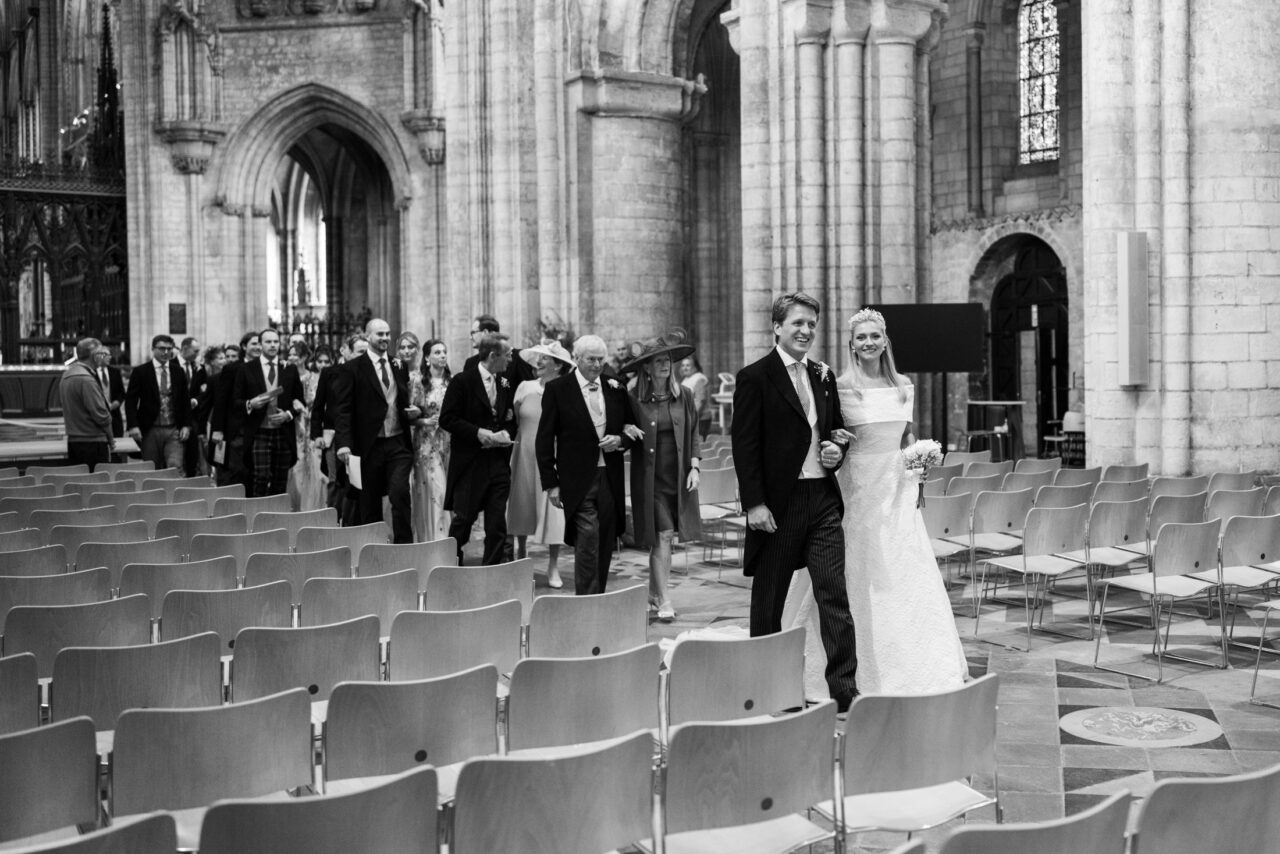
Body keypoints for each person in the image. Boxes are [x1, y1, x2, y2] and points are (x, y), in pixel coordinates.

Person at [784, 308, 968, 696]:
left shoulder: (904, 386)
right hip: (857, 490)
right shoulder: (840, 385)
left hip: (897, 492)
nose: (868, 342)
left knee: (906, 572)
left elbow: (905, 437)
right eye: (861, 337)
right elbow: (830, 437)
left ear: (885, 341)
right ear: (851, 344)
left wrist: (918, 462)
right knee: (852, 574)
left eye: (875, 336)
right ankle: (842, 668)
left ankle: (911, 664)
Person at [730, 293, 858, 712]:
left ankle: (844, 689)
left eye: (811, 324)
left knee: (833, 594)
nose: (806, 331)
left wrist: (835, 452)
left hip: (821, 497)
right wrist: (754, 505)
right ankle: (766, 686)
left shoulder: (823, 375)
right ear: (777, 327)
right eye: (798, 323)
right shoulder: (755, 377)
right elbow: (745, 446)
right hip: (778, 505)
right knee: (769, 600)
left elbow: (834, 429)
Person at [536, 334, 639, 595]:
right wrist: (551, 484)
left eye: (600, 360)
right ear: (577, 359)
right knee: (588, 539)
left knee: (605, 539)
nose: (596, 365)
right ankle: (586, 600)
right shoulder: (558, 389)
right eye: (591, 359)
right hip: (577, 478)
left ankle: (598, 596)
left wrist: (620, 440)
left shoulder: (615, 387)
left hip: (610, 476)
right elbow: (544, 440)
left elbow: (632, 427)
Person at [622, 331, 702, 622]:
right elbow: (621, 426)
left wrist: (695, 466)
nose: (665, 365)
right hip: (650, 479)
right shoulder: (633, 398)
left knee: (665, 539)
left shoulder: (685, 395)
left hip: (679, 477)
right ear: (646, 366)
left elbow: (694, 432)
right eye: (657, 360)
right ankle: (665, 598)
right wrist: (626, 430)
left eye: (667, 359)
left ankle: (655, 595)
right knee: (663, 535)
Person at [333, 319, 419, 544]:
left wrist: (413, 412)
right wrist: (344, 443)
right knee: (369, 502)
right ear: (367, 336)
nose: (385, 338)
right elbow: (343, 410)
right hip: (369, 445)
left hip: (398, 443)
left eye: (388, 334)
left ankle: (404, 548)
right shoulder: (352, 368)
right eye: (380, 334)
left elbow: (401, 399)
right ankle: (374, 550)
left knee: (400, 493)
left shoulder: (399, 365)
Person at [440, 331, 517, 565]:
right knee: (464, 520)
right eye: (507, 355)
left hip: (498, 463)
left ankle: (490, 572)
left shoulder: (504, 383)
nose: (510, 360)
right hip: (471, 463)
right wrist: (478, 433)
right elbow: (447, 419)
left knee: (497, 526)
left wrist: (506, 432)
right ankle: (450, 563)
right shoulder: (463, 381)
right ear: (493, 355)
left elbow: (509, 419)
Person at [508, 340, 573, 588]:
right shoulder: (524, 387)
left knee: (554, 511)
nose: (539, 361)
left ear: (557, 366)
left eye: (545, 358)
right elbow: (515, 415)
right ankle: (521, 556)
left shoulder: (564, 390)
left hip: (554, 454)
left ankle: (553, 565)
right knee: (522, 503)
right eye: (538, 357)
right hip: (524, 451)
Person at [234, 328, 306, 498]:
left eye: (275, 341)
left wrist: (288, 414)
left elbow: (299, 400)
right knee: (261, 476)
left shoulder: (289, 369)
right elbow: (235, 401)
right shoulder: (246, 369)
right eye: (268, 342)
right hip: (259, 431)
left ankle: (277, 518)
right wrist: (250, 403)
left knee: (280, 480)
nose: (273, 345)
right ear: (260, 345)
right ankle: (258, 517)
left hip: (283, 431)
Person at [313, 333, 368, 524]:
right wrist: (316, 434)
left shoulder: (370, 374)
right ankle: (332, 521)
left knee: (355, 481)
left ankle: (353, 523)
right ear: (349, 352)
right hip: (334, 434)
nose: (364, 356)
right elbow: (318, 406)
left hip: (360, 435)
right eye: (360, 351)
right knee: (335, 481)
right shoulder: (331, 373)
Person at [125, 334, 190, 471]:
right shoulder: (141, 371)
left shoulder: (178, 371)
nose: (165, 352)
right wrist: (133, 426)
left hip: (174, 428)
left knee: (175, 466)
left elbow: (185, 400)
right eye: (161, 348)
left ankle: (173, 492)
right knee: (152, 467)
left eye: (169, 349)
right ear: (153, 349)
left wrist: (186, 425)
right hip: (150, 428)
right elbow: (131, 401)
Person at [410, 337, 451, 542]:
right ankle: (434, 540)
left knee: (447, 493)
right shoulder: (419, 383)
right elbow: (410, 417)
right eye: (437, 352)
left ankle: (447, 541)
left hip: (448, 443)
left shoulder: (451, 382)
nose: (442, 355)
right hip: (427, 444)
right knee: (436, 491)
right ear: (427, 357)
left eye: (444, 352)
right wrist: (426, 421)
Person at [211, 331, 260, 489]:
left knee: (252, 475)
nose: (258, 347)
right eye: (254, 343)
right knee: (232, 473)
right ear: (244, 347)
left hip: (257, 429)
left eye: (260, 343)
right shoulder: (232, 369)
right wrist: (217, 429)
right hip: (235, 429)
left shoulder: (265, 368)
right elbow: (221, 401)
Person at [60, 337, 114, 471]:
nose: (103, 356)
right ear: (95, 356)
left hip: (74, 441)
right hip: (93, 443)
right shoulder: (86, 379)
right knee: (97, 486)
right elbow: (101, 415)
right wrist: (111, 440)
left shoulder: (67, 375)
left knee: (80, 485)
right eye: (101, 353)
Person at [287, 341, 325, 511]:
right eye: (290, 354)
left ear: (303, 357)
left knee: (310, 462)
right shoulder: (286, 375)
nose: (292, 357)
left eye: (295, 354)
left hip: (308, 421)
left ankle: (310, 505)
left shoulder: (312, 377)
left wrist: (305, 408)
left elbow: (316, 400)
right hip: (293, 422)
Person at [191, 345, 225, 470]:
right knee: (210, 453)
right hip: (211, 419)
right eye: (220, 358)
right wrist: (201, 429)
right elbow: (204, 404)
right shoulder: (205, 375)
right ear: (212, 361)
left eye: (224, 357)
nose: (224, 360)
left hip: (223, 420)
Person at [178, 336, 204, 475]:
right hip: (176, 416)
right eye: (195, 351)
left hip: (193, 415)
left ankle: (190, 478)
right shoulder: (171, 364)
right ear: (185, 349)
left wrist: (196, 400)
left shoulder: (199, 368)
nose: (197, 354)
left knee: (192, 453)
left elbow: (204, 391)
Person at [91, 345, 125, 439]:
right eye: (106, 354)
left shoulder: (115, 372)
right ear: (97, 356)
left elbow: (121, 392)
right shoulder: (90, 373)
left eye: (110, 355)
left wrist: (117, 402)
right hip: (97, 417)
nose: (110, 357)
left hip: (115, 416)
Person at [679, 355, 713, 439]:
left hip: (700, 419)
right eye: (683, 365)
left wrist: (691, 419)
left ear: (695, 367)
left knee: (699, 447)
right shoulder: (686, 379)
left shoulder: (699, 379)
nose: (685, 368)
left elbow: (700, 402)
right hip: (688, 418)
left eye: (688, 365)